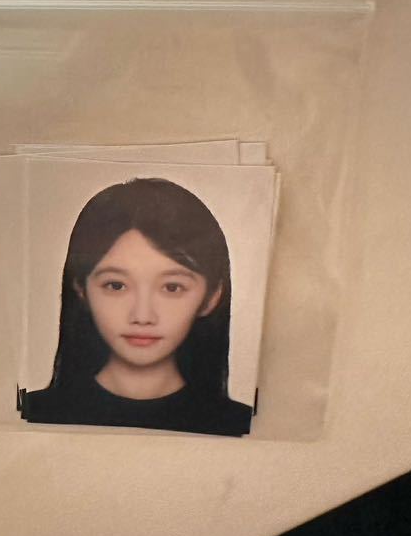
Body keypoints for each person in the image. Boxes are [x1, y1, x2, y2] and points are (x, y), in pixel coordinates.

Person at [20, 178, 254, 437]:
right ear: (81, 289)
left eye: (172, 287)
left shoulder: (242, 426)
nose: (142, 316)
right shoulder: (30, 415)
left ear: (211, 298)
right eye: (116, 286)